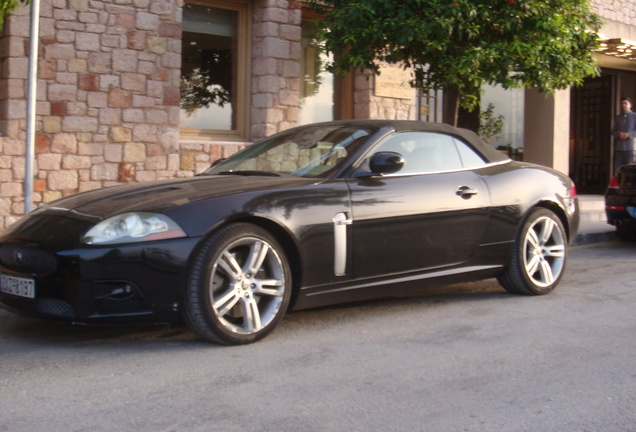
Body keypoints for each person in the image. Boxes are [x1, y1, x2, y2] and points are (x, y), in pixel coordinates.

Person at [612, 97, 636, 172]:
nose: (623, 105)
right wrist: (618, 134)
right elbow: (613, 131)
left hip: (630, 147)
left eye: (625, 103)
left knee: (630, 167)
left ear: (630, 105)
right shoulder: (618, 118)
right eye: (622, 103)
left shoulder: (634, 116)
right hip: (619, 147)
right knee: (619, 168)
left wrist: (628, 134)